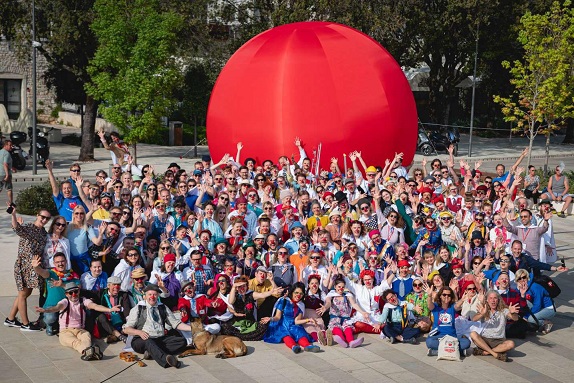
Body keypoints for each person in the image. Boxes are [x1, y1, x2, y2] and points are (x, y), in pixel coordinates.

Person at [35, 282, 121, 360]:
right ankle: (88, 352)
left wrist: (110, 309)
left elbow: (95, 306)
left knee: (87, 338)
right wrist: (45, 310)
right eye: (70, 293)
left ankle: (89, 352)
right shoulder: (65, 302)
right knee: (74, 342)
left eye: (76, 292)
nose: (74, 295)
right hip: (65, 331)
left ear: (79, 292)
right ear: (66, 294)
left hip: (81, 330)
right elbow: (56, 308)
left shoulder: (83, 300)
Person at [123, 284, 194, 368]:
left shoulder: (162, 307)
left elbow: (176, 324)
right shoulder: (138, 308)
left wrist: (193, 329)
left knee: (182, 341)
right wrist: (139, 332)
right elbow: (126, 329)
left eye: (155, 294)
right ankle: (168, 361)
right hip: (141, 340)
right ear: (145, 296)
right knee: (149, 342)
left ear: (158, 296)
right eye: (150, 294)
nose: (152, 297)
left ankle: (152, 353)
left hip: (159, 339)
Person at [4, 207, 50, 331]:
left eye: (47, 218)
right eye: (42, 217)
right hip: (24, 266)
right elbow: (17, 228)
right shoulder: (29, 227)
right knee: (23, 294)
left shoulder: (43, 232)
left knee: (25, 293)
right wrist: (13, 215)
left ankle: (11, 318)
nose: (44, 220)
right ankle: (25, 324)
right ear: (37, 215)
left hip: (33, 267)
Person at [264, 282, 320, 353]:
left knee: (300, 333)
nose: (298, 295)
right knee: (285, 335)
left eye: (301, 293)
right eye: (296, 292)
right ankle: (293, 346)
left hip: (293, 325)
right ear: (292, 292)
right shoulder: (283, 300)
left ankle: (308, 346)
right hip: (282, 324)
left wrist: (308, 320)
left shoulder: (301, 305)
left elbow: (297, 321)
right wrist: (270, 319)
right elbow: (277, 317)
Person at [470, 290, 520, 362]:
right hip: (485, 339)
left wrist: (513, 313)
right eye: (490, 298)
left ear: (498, 300)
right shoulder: (484, 310)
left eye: (495, 298)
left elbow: (515, 319)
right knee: (473, 334)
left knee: (511, 344)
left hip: (498, 340)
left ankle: (486, 352)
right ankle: (495, 354)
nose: (493, 301)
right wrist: (482, 314)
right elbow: (474, 319)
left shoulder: (503, 310)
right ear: (487, 300)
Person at [318, 277, 366, 348]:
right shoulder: (331, 294)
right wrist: (325, 307)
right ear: (335, 287)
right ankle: (341, 340)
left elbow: (354, 304)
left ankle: (351, 342)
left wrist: (363, 312)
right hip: (335, 318)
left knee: (348, 329)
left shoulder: (347, 295)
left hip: (345, 318)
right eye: (339, 287)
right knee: (337, 329)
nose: (341, 289)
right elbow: (328, 302)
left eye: (343, 287)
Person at [425, 286, 471, 357]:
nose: (446, 296)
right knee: (429, 342)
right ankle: (456, 351)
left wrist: (462, 300)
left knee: (466, 342)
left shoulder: (452, 307)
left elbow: (457, 306)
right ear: (440, 296)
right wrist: (429, 295)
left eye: (449, 295)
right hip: (438, 337)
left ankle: (437, 352)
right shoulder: (436, 306)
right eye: (444, 295)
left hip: (451, 338)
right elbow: (429, 305)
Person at [515, 269, 555, 334]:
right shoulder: (522, 287)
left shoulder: (535, 287)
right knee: (521, 304)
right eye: (519, 278)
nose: (522, 280)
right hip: (538, 306)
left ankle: (545, 323)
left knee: (530, 319)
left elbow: (537, 304)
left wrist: (526, 316)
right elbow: (517, 299)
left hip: (548, 308)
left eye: (524, 277)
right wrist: (518, 289)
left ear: (527, 277)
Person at [0, 139, 14, 205]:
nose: (11, 146)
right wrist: (7, 175)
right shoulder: (7, 153)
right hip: (4, 174)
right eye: (10, 145)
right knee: (9, 189)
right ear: (5, 145)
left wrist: (11, 168)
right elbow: (5, 164)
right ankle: (11, 203)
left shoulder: (0, 152)